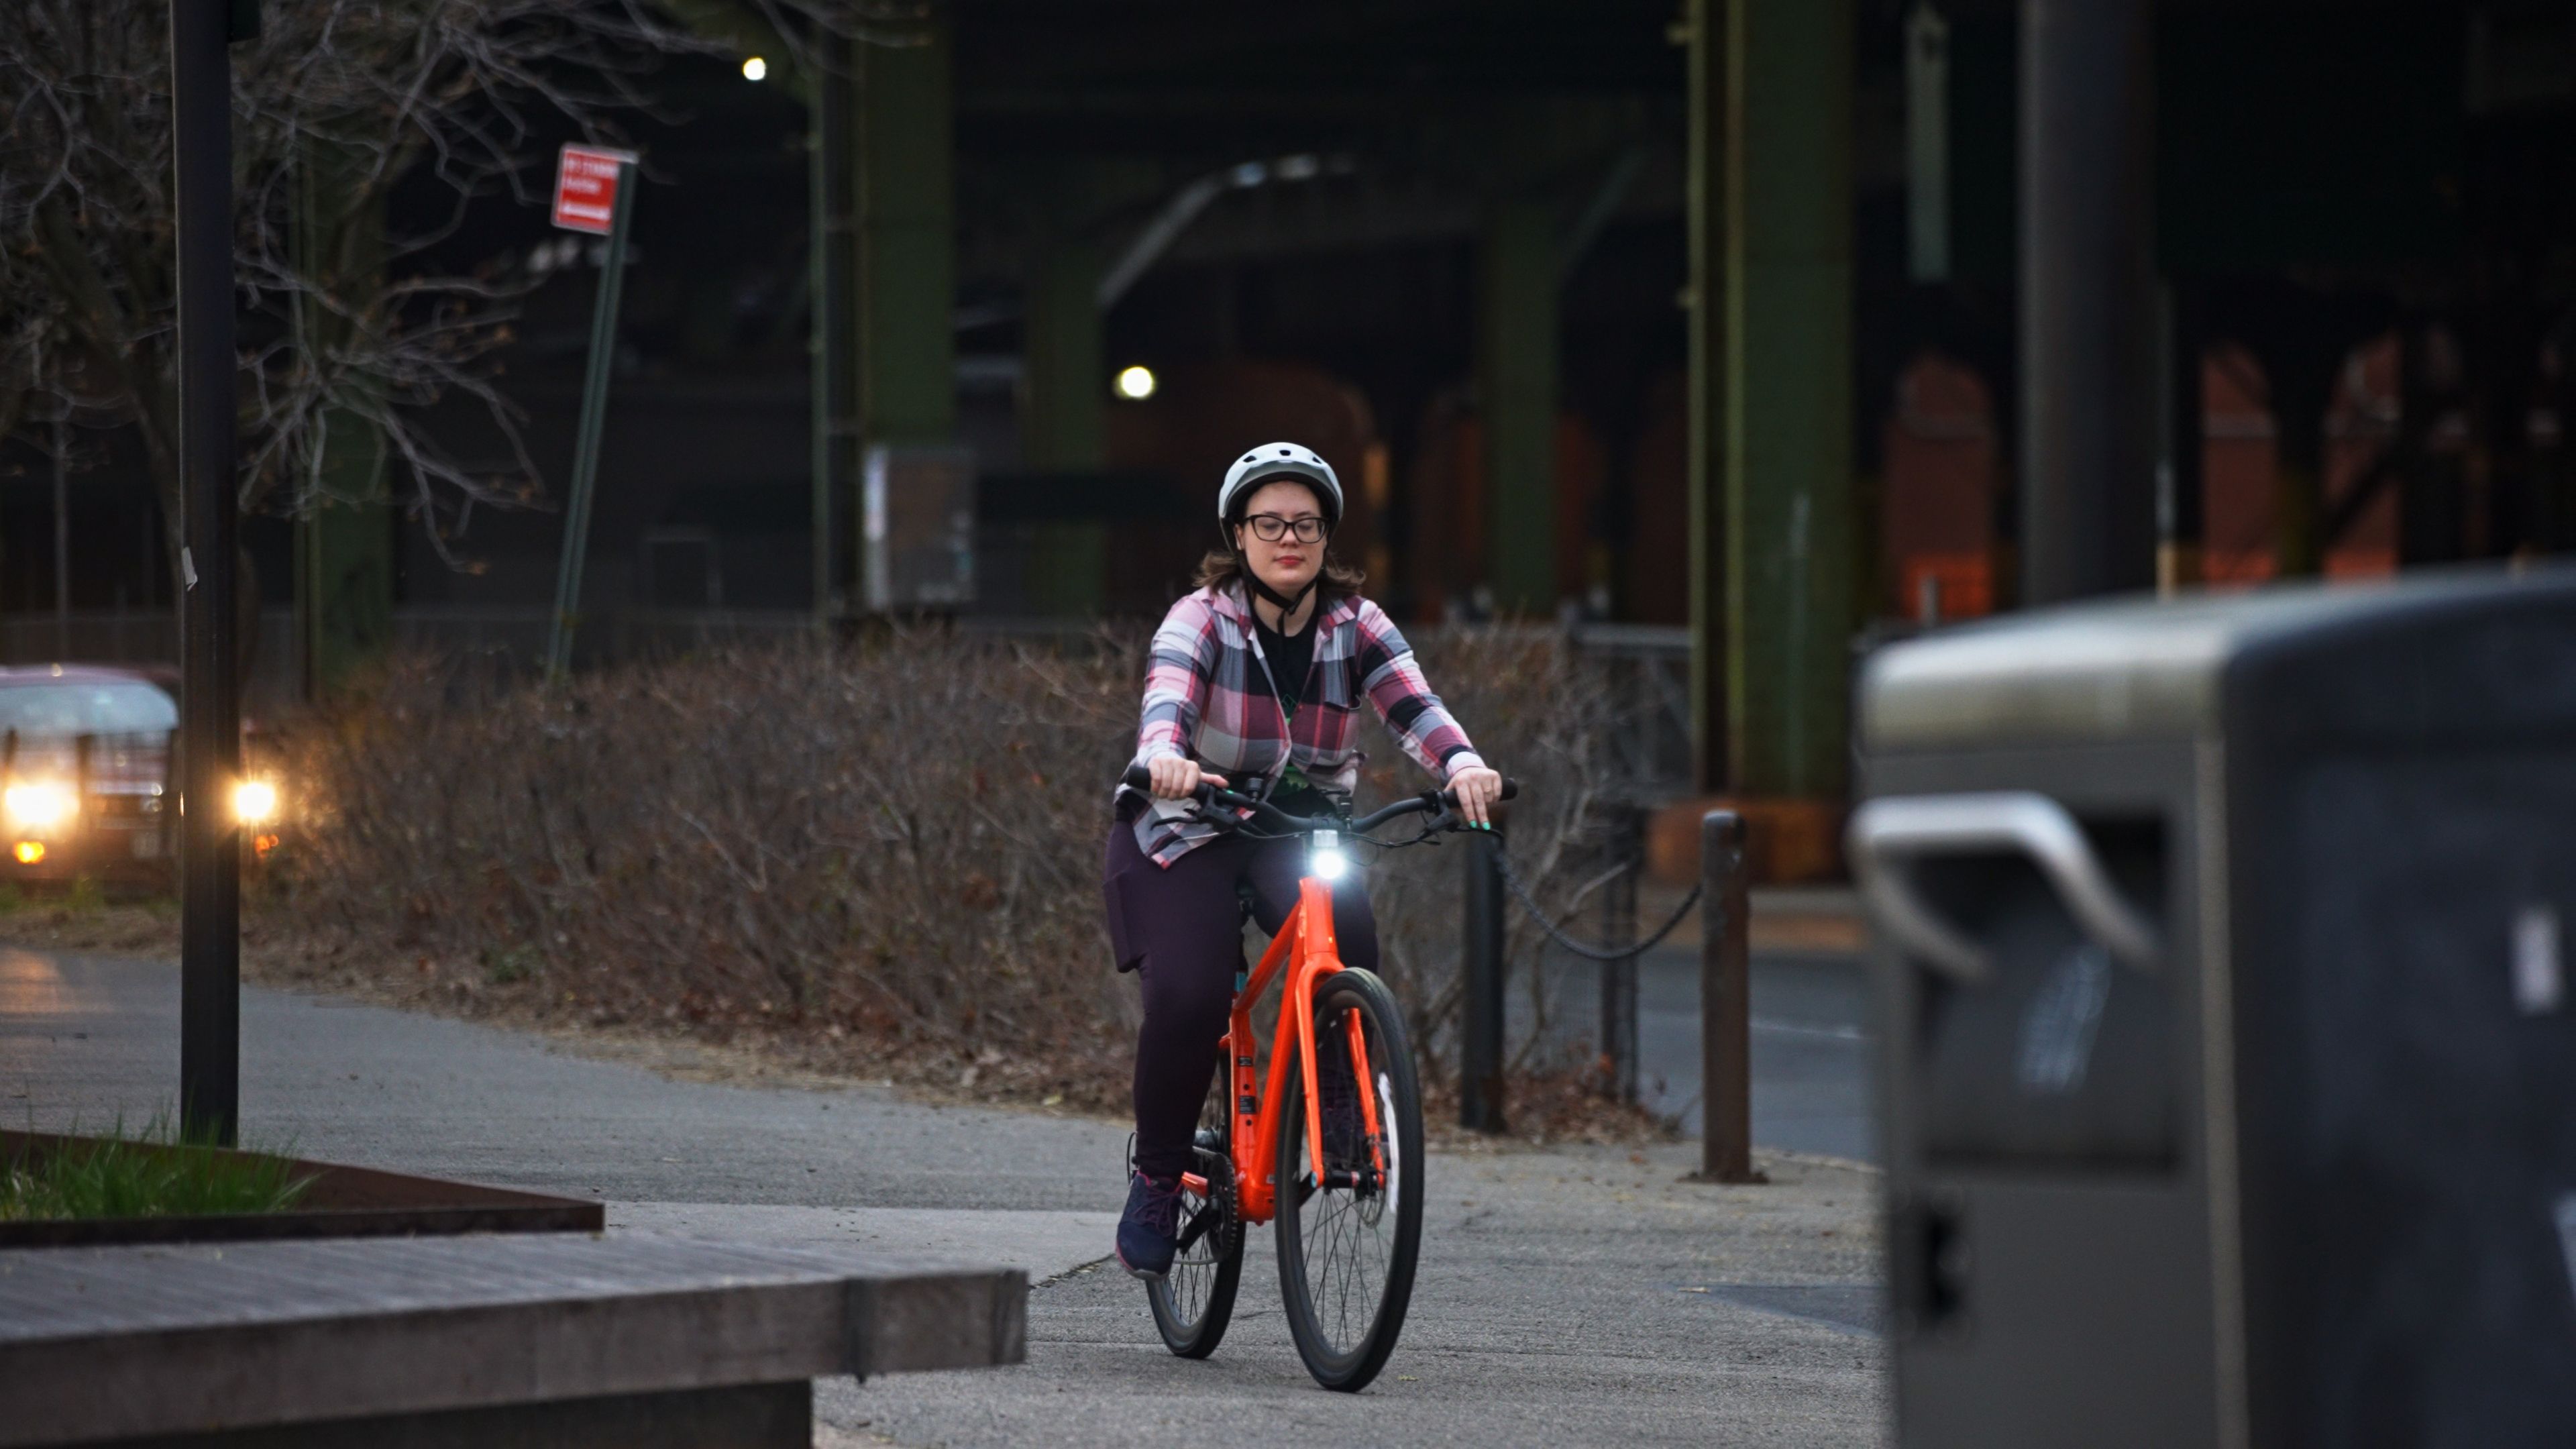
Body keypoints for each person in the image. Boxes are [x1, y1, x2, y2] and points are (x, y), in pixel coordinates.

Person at [1101, 440, 1505, 1278]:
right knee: (1191, 990)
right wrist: (1167, 757)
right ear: (1238, 535)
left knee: (1349, 937)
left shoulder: (1356, 625)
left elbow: (1413, 704)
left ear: (1329, 537)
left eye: (1308, 524)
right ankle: (1159, 1175)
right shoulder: (1202, 617)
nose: (1290, 538)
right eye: (1270, 523)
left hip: (1296, 827)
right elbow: (1167, 700)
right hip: (1189, 824)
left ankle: (1345, 1112)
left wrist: (1462, 764)